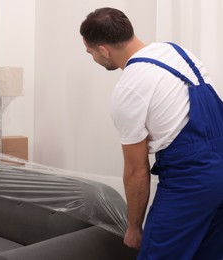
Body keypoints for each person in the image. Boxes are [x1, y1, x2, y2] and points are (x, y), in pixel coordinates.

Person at [80, 7, 223, 259]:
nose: (93, 57)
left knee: (156, 254)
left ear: (104, 49)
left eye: (90, 52)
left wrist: (134, 227)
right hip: (217, 170)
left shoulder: (129, 88)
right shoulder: (177, 52)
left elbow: (136, 172)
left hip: (192, 180)